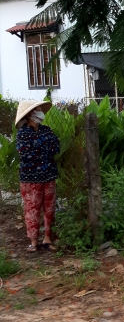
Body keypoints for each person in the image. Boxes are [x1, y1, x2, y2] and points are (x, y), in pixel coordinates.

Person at [14, 100, 60, 252]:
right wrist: (43, 151)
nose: (41, 113)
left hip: (48, 175)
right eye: (37, 110)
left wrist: (39, 150)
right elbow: (26, 154)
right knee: (32, 209)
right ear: (29, 115)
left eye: (40, 110)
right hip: (30, 179)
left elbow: (56, 147)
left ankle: (48, 238)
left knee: (49, 208)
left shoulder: (47, 130)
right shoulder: (22, 134)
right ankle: (33, 241)